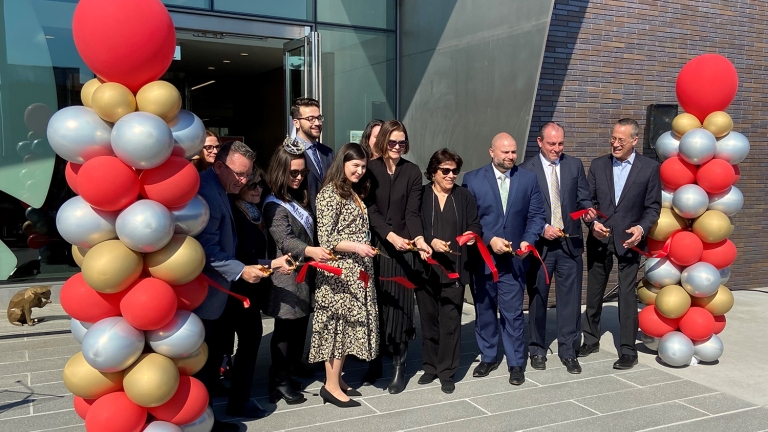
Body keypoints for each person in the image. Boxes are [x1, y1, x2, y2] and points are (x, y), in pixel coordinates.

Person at [193, 141, 269, 430]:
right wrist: (240, 270)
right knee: (205, 363)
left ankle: (213, 417)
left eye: (247, 175)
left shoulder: (221, 187)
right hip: (209, 292)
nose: (244, 180)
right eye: (239, 174)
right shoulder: (207, 192)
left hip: (224, 292)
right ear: (220, 165)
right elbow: (207, 249)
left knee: (213, 360)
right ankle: (206, 423)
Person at [462, 132, 546, 386]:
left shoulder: (528, 179)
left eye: (513, 151)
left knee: (513, 314)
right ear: (492, 152)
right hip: (483, 260)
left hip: (515, 261)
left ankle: (516, 362)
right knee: (485, 310)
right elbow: (470, 220)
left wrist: (528, 240)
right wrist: (489, 240)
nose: (511, 156)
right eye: (505, 152)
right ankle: (488, 356)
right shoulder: (473, 179)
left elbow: (537, 215)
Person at [580, 118, 661, 370]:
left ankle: (627, 349)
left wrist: (641, 227)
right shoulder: (597, 165)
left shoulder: (649, 168)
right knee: (594, 292)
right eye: (613, 138)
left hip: (629, 240)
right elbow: (587, 202)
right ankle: (591, 339)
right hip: (599, 238)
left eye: (621, 140)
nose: (615, 144)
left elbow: (653, 207)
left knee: (627, 295)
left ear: (634, 140)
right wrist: (591, 223)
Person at [519, 122, 596, 375]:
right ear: (540, 142)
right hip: (542, 247)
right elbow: (524, 210)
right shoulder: (526, 170)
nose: (556, 149)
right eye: (551, 144)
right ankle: (537, 349)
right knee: (539, 298)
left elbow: (583, 198)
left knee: (570, 301)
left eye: (560, 143)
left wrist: (588, 213)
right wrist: (542, 227)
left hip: (570, 243)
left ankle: (568, 351)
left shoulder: (574, 165)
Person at [364, 120, 432, 394]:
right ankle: (374, 361)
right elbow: (368, 208)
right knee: (376, 305)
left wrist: (418, 239)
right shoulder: (369, 169)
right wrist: (388, 235)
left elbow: (413, 213)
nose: (397, 147)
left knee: (401, 309)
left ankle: (399, 366)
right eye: (392, 142)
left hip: (404, 249)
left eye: (402, 142)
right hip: (377, 247)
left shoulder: (412, 171)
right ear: (382, 143)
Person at [263, 138, 333, 404]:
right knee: (284, 329)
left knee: (301, 323)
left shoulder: (298, 195)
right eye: (293, 172)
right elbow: (285, 239)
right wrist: (312, 251)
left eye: (303, 172)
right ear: (281, 171)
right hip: (287, 276)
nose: (299, 177)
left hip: (305, 272)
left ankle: (292, 366)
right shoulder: (273, 203)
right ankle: (278, 381)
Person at [310, 142, 379, 408]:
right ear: (343, 163)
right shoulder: (330, 194)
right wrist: (358, 247)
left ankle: (337, 379)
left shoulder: (352, 192)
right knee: (336, 329)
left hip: (356, 270)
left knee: (347, 328)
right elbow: (326, 239)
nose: (360, 170)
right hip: (339, 273)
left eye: (363, 166)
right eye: (355, 165)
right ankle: (329, 386)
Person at [226, 167, 293, 415]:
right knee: (244, 343)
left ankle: (239, 398)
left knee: (249, 343)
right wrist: (272, 264)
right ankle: (238, 402)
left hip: (251, 288)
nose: (257, 190)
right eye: (252, 185)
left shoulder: (254, 211)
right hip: (237, 289)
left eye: (260, 185)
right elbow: (243, 256)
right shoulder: (236, 212)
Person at [418, 149, 481, 394]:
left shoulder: (463, 196)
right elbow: (415, 224)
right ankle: (430, 366)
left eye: (455, 171)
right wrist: (430, 241)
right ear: (433, 172)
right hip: (427, 268)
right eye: (445, 170)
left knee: (451, 322)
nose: (451, 175)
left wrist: (471, 236)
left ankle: (447, 371)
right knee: (429, 320)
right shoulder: (421, 195)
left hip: (454, 268)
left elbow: (474, 224)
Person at [291, 97, 334, 212]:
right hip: (303, 221)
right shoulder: (289, 153)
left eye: (319, 118)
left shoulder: (328, 153)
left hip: (327, 222)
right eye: (310, 119)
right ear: (296, 122)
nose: (317, 123)